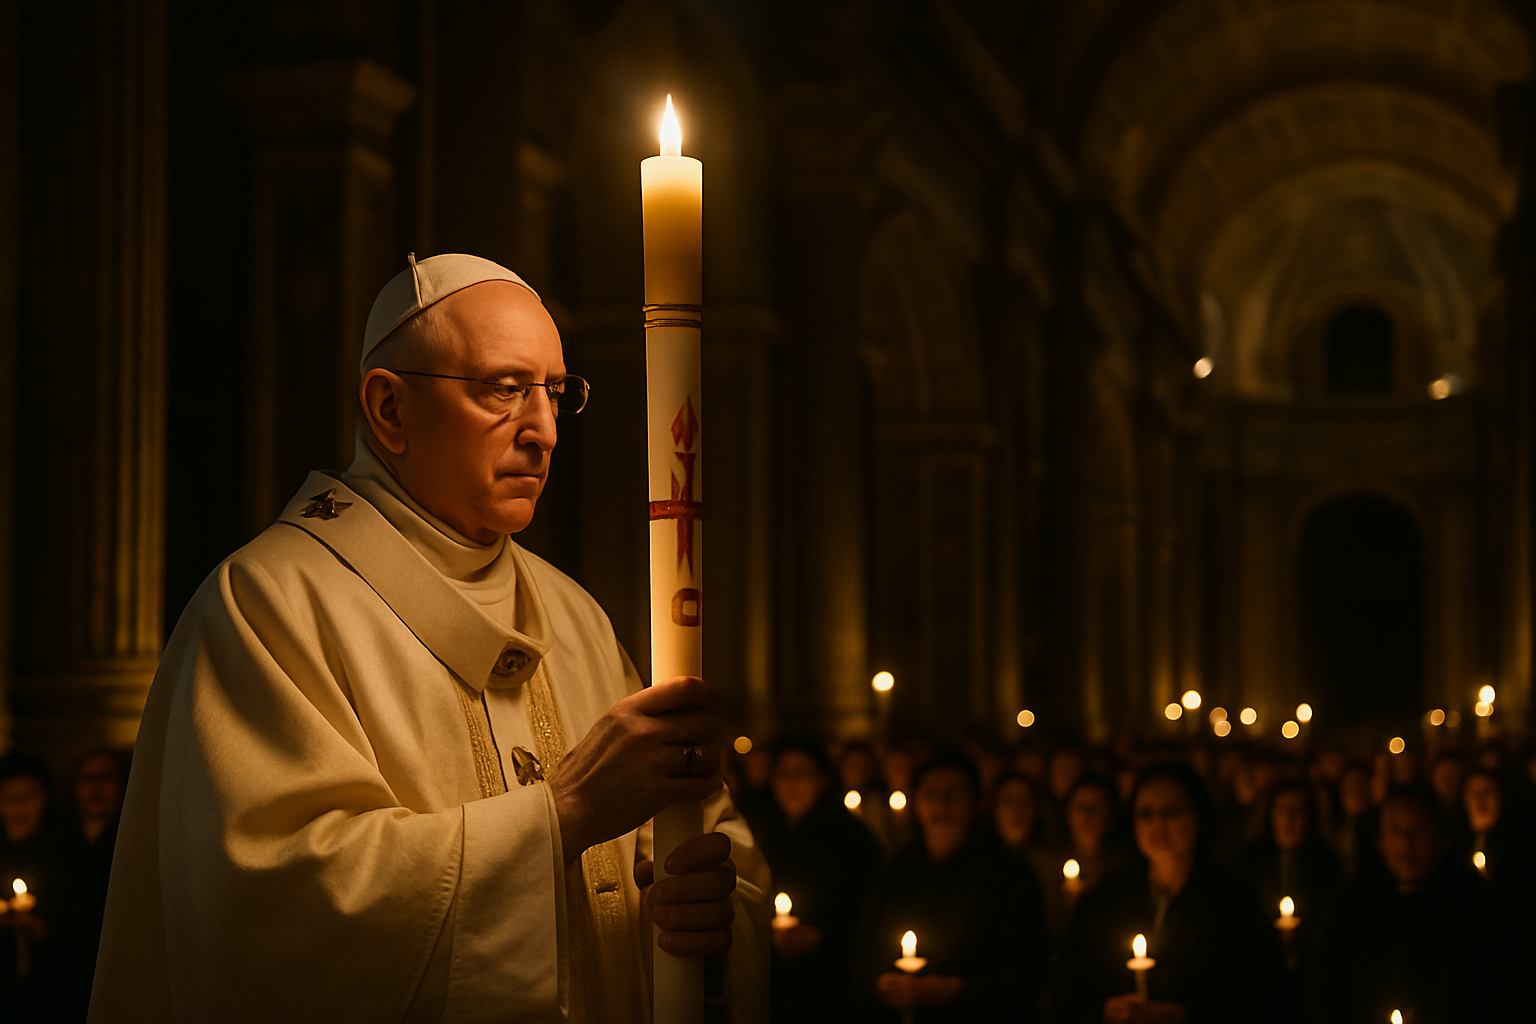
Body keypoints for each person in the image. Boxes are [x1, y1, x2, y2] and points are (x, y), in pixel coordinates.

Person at [90, 255, 770, 1021]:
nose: (543, 431)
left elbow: (711, 848)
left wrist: (701, 922)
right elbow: (273, 921)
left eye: (554, 393)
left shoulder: (574, 614)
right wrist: (566, 812)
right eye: (503, 389)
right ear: (389, 410)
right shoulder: (269, 604)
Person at [1056, 761, 1281, 1024]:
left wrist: (1184, 1017)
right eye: (1145, 813)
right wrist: (1105, 1011)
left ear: (1201, 820)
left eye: (1172, 812)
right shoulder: (1105, 898)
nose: (1158, 824)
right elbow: (1072, 984)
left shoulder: (1235, 902)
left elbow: (1260, 997)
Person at [855, 751, 1048, 1022]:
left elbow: (1028, 971)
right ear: (916, 803)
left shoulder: (1009, 876)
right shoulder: (896, 872)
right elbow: (864, 947)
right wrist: (879, 983)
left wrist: (953, 990)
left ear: (976, 802)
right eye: (930, 793)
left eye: (952, 793)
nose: (941, 803)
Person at [1308, 784, 1512, 1022]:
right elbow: (1325, 993)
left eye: (1420, 830)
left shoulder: (1474, 907)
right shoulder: (1352, 906)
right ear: (1380, 839)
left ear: (1442, 839)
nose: (1406, 843)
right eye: (1395, 830)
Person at [753, 738, 881, 1023]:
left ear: (823, 780)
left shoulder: (852, 839)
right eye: (783, 773)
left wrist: (822, 937)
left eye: (801, 773)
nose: (791, 783)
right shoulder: (764, 835)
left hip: (834, 986)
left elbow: (869, 910)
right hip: (778, 984)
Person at [0, 753, 65, 1022]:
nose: (18, 805)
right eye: (8, 796)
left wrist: (46, 931)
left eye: (28, 795)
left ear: (46, 798)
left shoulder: (65, 854)